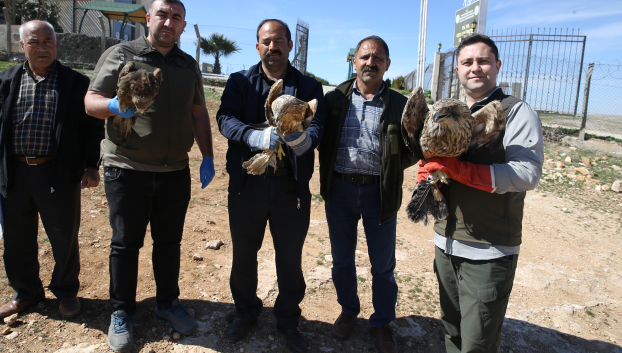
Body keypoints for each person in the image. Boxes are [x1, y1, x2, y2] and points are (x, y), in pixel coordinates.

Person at [84, 0, 215, 352]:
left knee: (169, 243)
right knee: (126, 244)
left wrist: (207, 155)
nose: (168, 22)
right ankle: (121, 312)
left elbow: (199, 113)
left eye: (176, 18)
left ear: (184, 26)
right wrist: (112, 106)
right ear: (148, 18)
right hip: (127, 168)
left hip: (174, 171)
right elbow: (91, 100)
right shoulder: (122, 54)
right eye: (162, 15)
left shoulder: (188, 65)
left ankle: (167, 303)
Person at [417, 33, 543, 353]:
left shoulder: (516, 112)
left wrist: (462, 171)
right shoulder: (448, 111)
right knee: (452, 331)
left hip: (488, 249)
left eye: (483, 61)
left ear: (497, 66)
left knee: (477, 343)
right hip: (446, 241)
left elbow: (527, 173)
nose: (475, 68)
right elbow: (436, 157)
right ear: (457, 69)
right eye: (467, 62)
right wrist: (430, 171)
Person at [0, 20, 104, 321]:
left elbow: (92, 127)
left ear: (56, 45)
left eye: (48, 41)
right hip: (13, 173)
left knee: (64, 237)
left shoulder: (75, 83)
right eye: (35, 41)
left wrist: (90, 166)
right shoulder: (2, 82)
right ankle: (25, 293)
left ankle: (66, 292)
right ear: (22, 46)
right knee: (17, 239)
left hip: (58, 173)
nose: (43, 47)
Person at [217, 19, 326, 353]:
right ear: (257, 46)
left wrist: (304, 140)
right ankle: (246, 312)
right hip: (248, 185)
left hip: (290, 189)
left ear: (290, 45)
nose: (273, 46)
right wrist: (252, 135)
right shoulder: (239, 82)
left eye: (279, 41)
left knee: (290, 258)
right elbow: (225, 118)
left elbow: (318, 123)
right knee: (244, 255)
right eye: (266, 41)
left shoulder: (309, 87)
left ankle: (289, 320)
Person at [318, 35, 417, 353]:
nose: (370, 62)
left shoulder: (400, 106)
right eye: (365, 57)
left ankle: (382, 323)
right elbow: (318, 137)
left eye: (378, 58)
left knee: (383, 265)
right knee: (342, 260)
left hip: (380, 193)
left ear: (387, 65)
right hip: (341, 189)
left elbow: (414, 147)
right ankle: (348, 311)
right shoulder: (335, 100)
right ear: (354, 61)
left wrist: (391, 167)